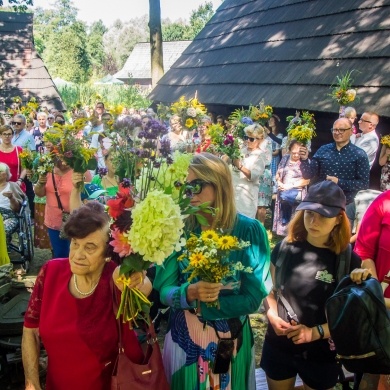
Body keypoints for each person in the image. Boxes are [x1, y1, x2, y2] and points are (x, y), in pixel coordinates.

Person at [154, 152, 270, 390]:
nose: (190, 195)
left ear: (219, 184)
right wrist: (189, 293)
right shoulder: (178, 229)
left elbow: (253, 298)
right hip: (184, 340)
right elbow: (163, 290)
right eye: (184, 188)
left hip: (232, 340)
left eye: (196, 186)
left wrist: (207, 306)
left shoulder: (250, 231)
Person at [22, 202, 152, 390]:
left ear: (107, 253)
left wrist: (140, 276)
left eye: (90, 247)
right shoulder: (51, 272)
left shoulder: (116, 278)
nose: (77, 255)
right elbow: (30, 330)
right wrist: (32, 383)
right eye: (75, 244)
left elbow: (143, 287)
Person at [260, 180, 361, 390]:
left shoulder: (349, 261)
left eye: (323, 216)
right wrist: (272, 315)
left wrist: (315, 333)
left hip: (321, 353)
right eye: (309, 213)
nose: (313, 221)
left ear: (338, 219)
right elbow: (269, 288)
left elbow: (349, 317)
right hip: (279, 344)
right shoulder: (285, 247)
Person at [299, 117, 370, 226]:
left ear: (351, 131)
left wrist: (339, 182)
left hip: (345, 205)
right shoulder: (323, 150)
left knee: (339, 240)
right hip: (322, 203)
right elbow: (308, 174)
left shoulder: (359, 154)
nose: (337, 133)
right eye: (334, 130)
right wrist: (304, 160)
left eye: (341, 130)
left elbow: (363, 184)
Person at [353, 190, 390, 389]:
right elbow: (364, 250)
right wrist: (376, 296)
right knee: (371, 374)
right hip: (382, 309)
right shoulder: (385, 201)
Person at [33, 157, 92, 258]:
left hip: (76, 221)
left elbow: (89, 194)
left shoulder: (80, 170)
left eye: (67, 158)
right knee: (60, 255)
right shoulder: (47, 169)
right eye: (61, 158)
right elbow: (40, 193)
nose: (65, 162)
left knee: (77, 253)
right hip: (54, 221)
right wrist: (40, 183)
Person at [273, 140, 309, 236]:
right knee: (284, 213)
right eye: (294, 153)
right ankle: (283, 236)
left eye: (298, 153)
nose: (296, 155)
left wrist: (290, 186)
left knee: (295, 217)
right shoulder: (285, 158)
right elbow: (278, 174)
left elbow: (307, 180)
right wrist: (279, 183)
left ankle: (293, 235)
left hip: (297, 192)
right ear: (289, 151)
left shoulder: (305, 161)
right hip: (284, 192)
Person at [229, 123, 266, 219]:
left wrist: (240, 166)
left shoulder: (260, 155)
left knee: (245, 222)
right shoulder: (242, 150)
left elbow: (253, 176)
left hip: (247, 195)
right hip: (234, 191)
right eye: (246, 137)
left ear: (260, 139)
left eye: (251, 139)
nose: (247, 141)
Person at [0, 162, 24, 243]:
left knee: (3, 230)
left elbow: (16, 208)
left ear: (6, 174)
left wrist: (11, 197)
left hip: (9, 216)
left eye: (0, 171)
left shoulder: (12, 186)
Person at [0, 125, 27, 189]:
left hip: (16, 186)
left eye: (9, 134)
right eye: (4, 134)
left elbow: (25, 168)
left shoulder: (19, 150)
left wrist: (20, 180)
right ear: (1, 135)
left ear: (12, 135)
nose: (7, 136)